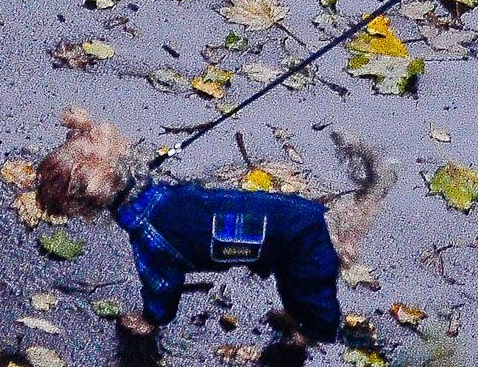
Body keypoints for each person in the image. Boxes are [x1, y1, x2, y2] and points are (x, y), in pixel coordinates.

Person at [33, 112, 391, 344]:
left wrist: (152, 317)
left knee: (305, 286)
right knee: (292, 263)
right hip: (295, 226)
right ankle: (303, 316)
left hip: (304, 240)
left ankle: (311, 329)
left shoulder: (151, 231)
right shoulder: (162, 202)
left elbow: (161, 282)